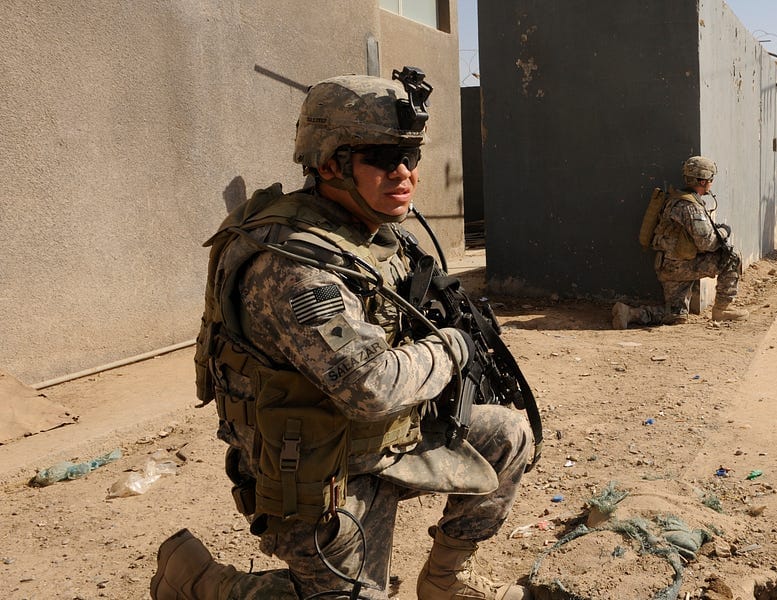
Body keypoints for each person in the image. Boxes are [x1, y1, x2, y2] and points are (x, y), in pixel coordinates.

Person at [150, 73, 532, 600]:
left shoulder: (372, 236)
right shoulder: (295, 263)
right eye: (382, 157)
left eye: (411, 156)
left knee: (508, 435)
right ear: (329, 164)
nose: (404, 174)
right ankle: (203, 581)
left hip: (378, 439)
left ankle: (443, 582)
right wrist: (451, 347)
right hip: (313, 473)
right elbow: (371, 386)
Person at [612, 156, 749, 329]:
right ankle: (722, 309)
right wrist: (724, 232)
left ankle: (629, 313)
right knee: (731, 258)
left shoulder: (674, 199)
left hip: (667, 265)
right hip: (681, 266)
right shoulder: (690, 206)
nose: (711, 183)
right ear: (702, 181)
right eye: (711, 179)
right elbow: (707, 243)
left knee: (676, 314)